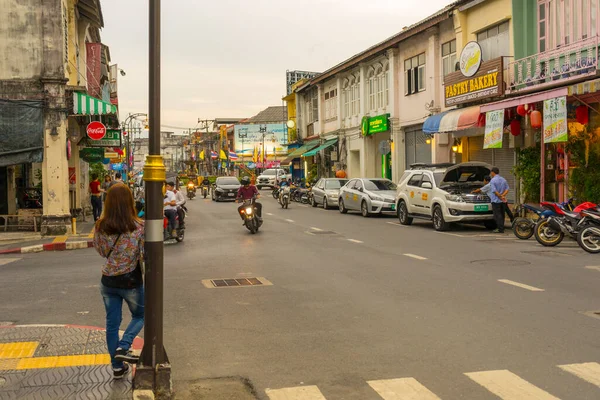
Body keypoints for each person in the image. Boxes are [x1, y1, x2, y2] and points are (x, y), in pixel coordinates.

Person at [93, 183, 144, 380]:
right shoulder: (139, 226)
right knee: (141, 315)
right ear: (130, 202)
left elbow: (102, 251)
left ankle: (117, 367)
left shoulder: (100, 225)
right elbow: (144, 254)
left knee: (112, 324)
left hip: (108, 281)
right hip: (130, 280)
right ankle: (124, 345)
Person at [489, 167, 511, 233]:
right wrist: (503, 196)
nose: (491, 174)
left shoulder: (492, 180)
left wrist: (499, 196)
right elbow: (507, 189)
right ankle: (502, 227)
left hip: (496, 201)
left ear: (493, 172)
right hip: (502, 201)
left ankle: (500, 229)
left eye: (491, 172)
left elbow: (494, 190)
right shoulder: (503, 179)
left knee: (497, 215)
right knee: (502, 214)